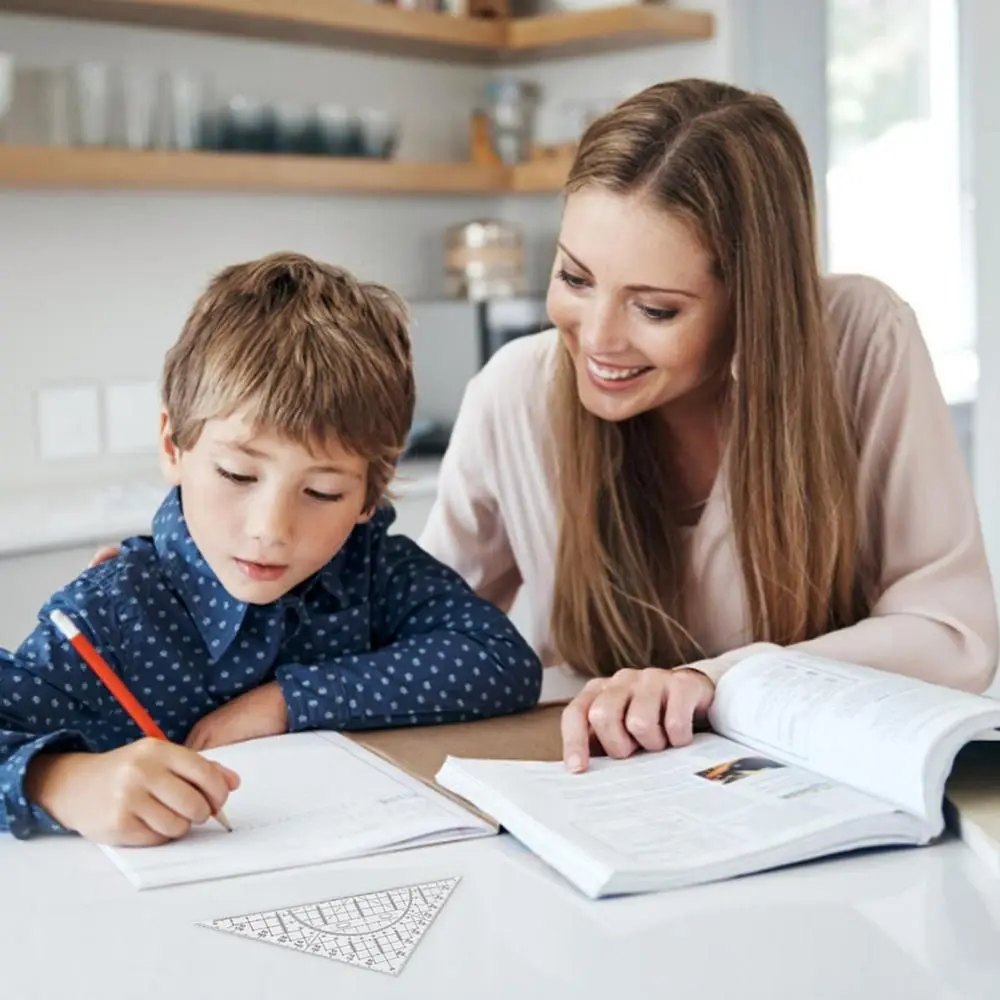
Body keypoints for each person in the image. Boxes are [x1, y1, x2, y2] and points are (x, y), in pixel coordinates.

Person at [417, 78, 998, 771]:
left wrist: (715, 680)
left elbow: (952, 637)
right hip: (585, 794)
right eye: (575, 278)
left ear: (752, 302)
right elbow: (423, 638)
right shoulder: (514, 391)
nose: (597, 339)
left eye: (655, 309)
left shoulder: (859, 340)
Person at [0, 252, 542, 846]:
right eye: (237, 474)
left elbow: (501, 661)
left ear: (369, 494)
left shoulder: (372, 570)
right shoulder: (111, 609)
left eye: (322, 491)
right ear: (172, 446)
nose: (271, 528)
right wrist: (63, 780)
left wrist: (287, 700)